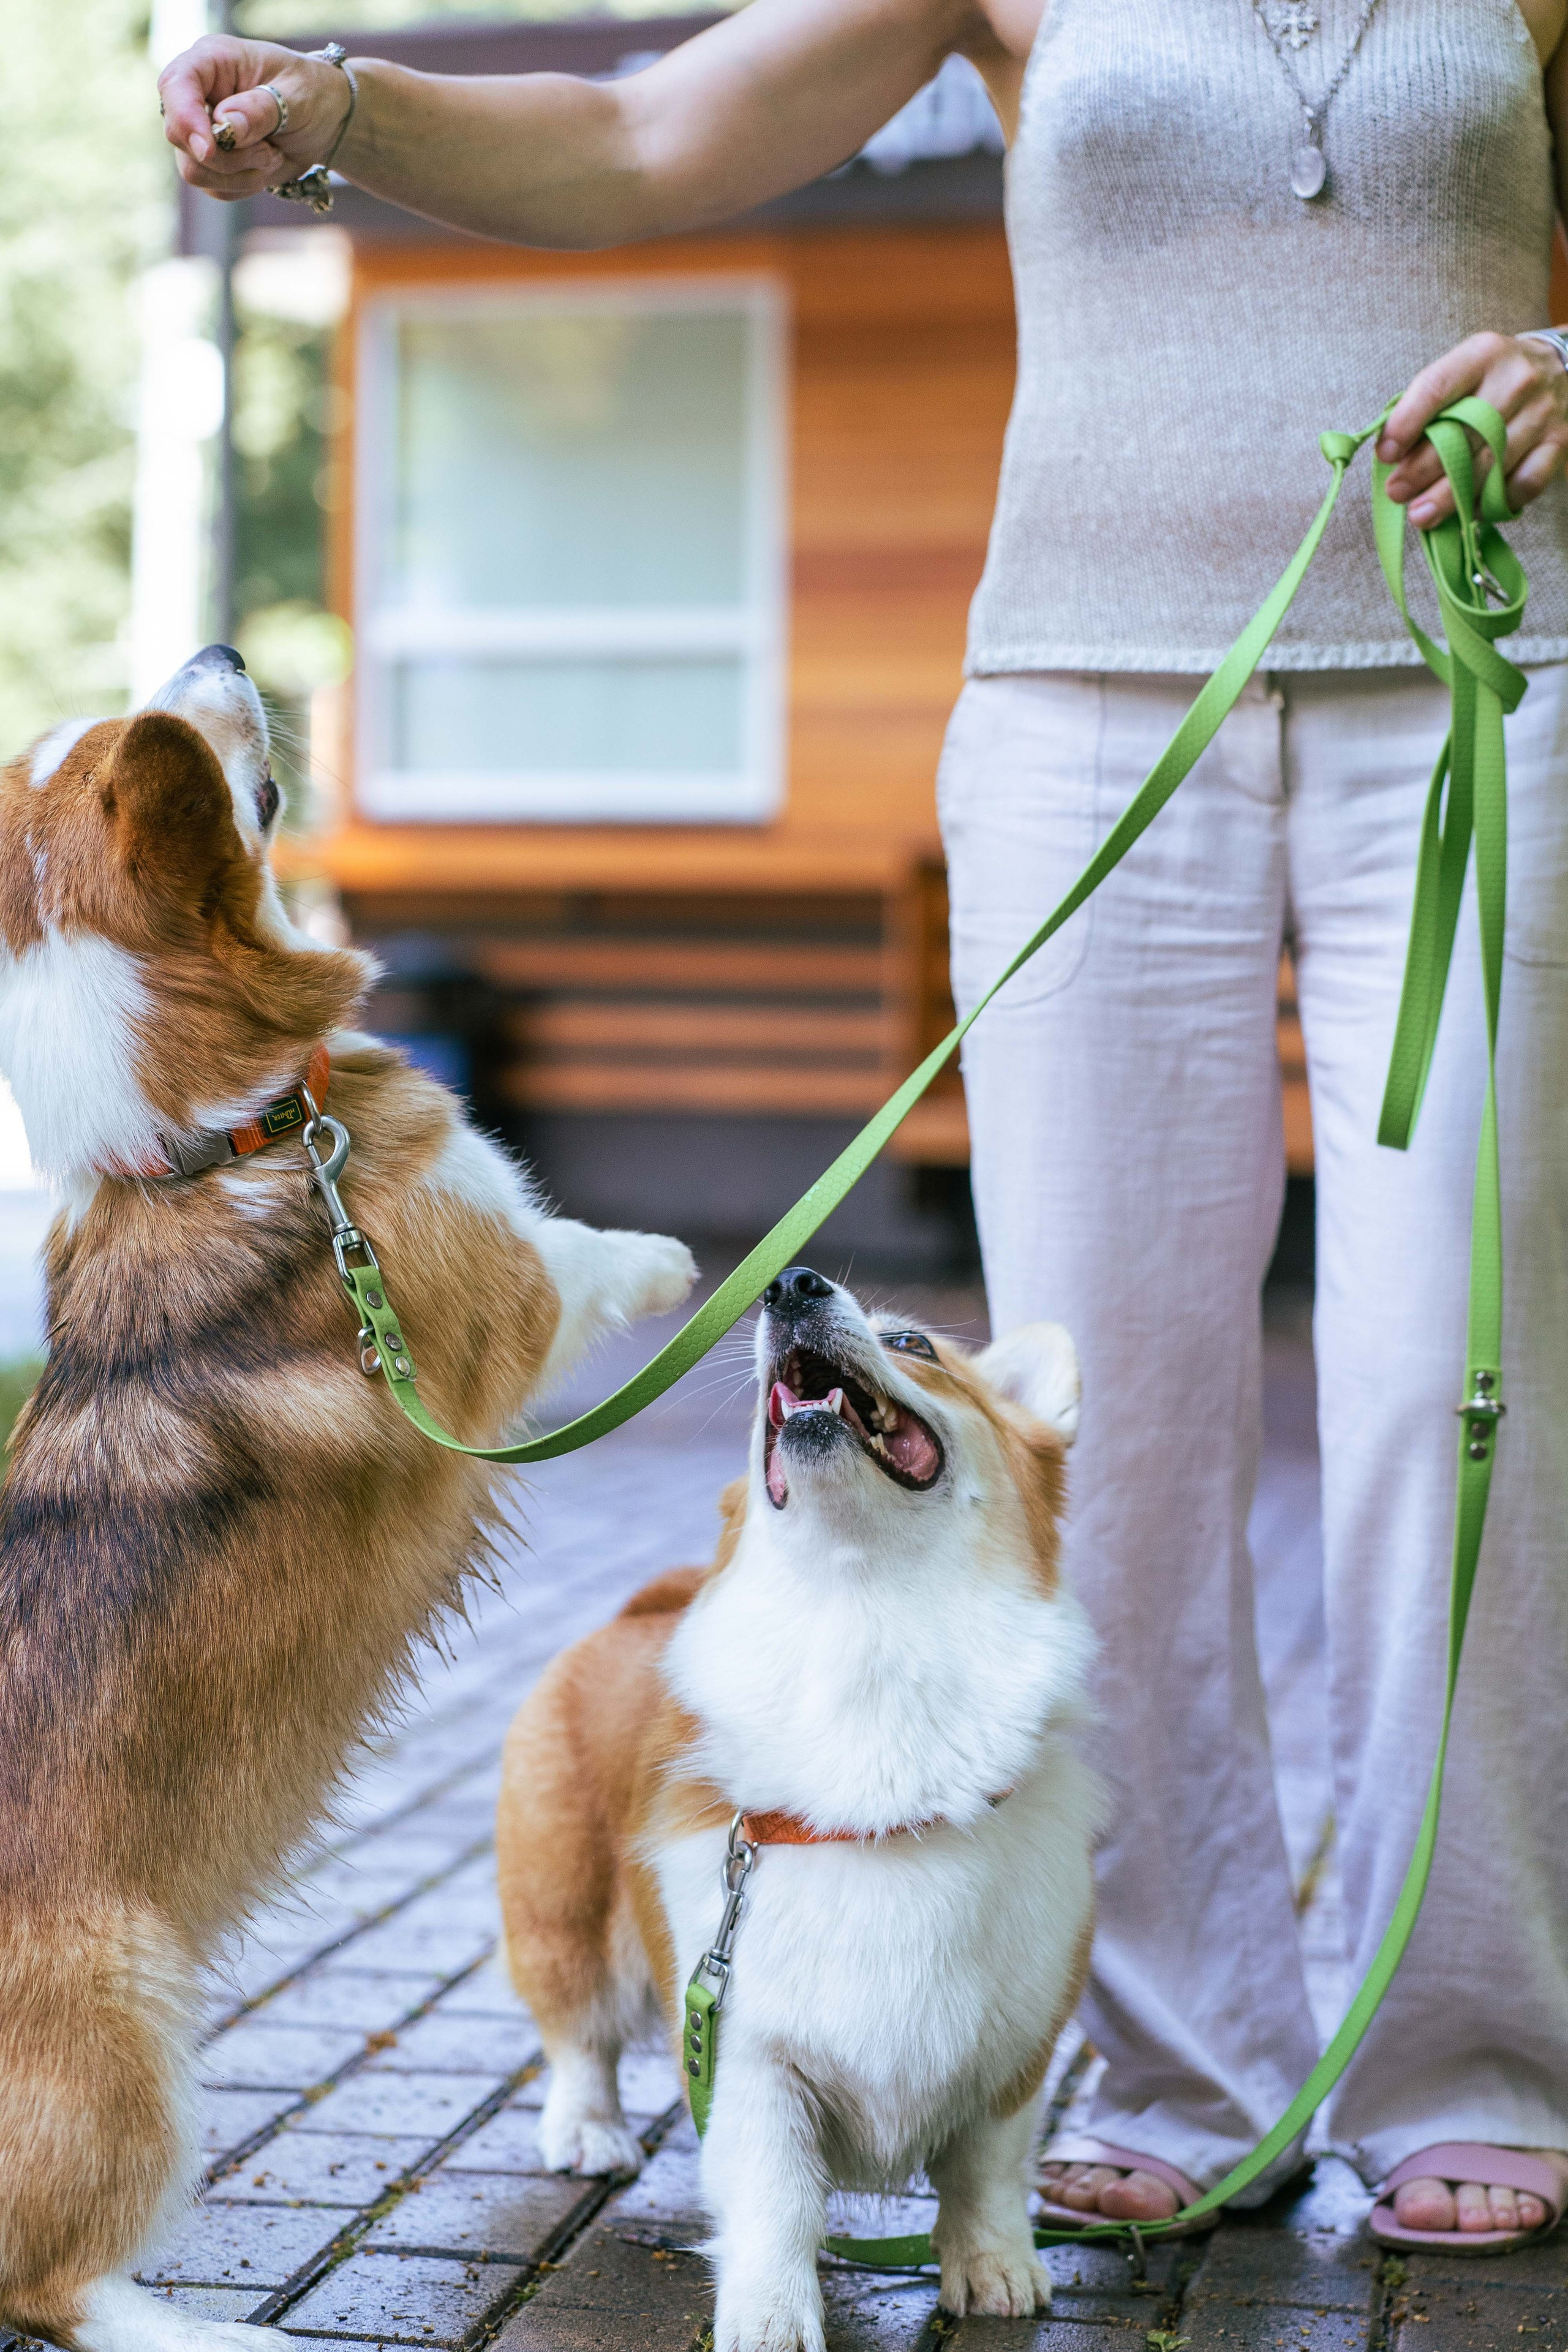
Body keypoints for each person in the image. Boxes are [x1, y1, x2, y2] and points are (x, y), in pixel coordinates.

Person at [162, 0, 1568, 2252]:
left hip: (1496, 692)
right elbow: (641, 133)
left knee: (1458, 1388)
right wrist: (342, 105)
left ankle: (1473, 2055)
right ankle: (1181, 2055)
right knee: (1105, 1402)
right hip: (1096, 722)